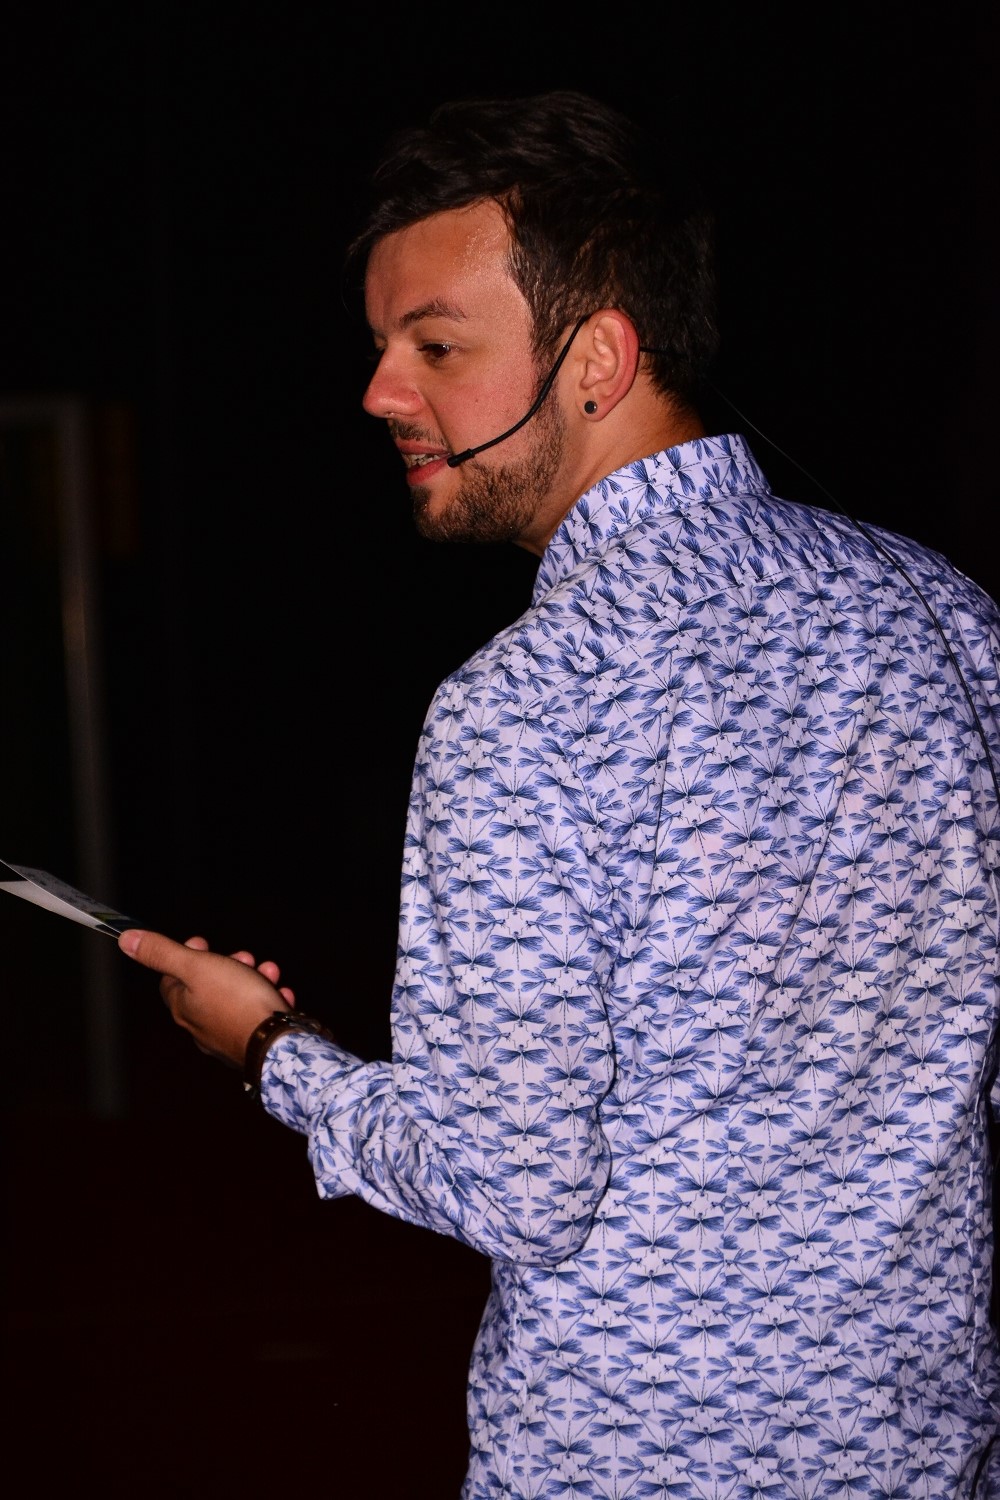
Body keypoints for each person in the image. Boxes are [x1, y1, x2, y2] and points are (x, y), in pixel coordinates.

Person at [119, 90, 1000, 1497]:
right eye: (382, 347)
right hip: (923, 1446)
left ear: (597, 358)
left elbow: (515, 1187)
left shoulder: (528, 702)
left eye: (436, 346)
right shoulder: (944, 617)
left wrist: (272, 1050)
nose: (380, 392)